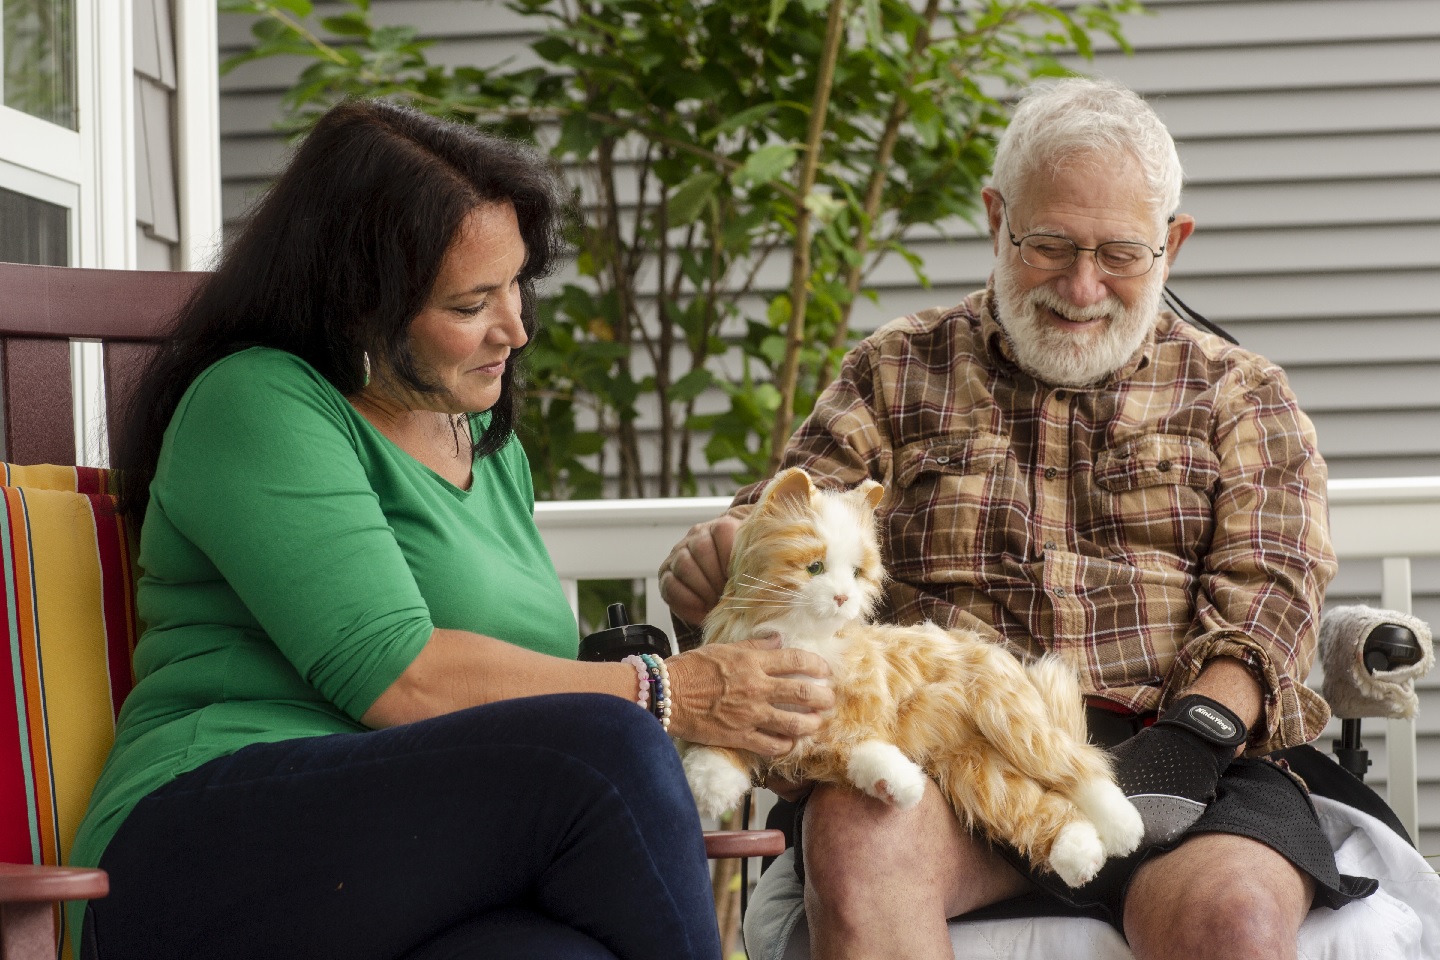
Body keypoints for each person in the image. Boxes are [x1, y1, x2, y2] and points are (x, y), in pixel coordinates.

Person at [67, 98, 836, 960]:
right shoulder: (258, 402)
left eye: (517, 285)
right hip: (202, 852)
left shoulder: (481, 437)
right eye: (472, 303)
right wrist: (670, 689)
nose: (516, 328)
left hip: (407, 868)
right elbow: (400, 677)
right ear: (359, 303)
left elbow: (504, 690)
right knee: (605, 745)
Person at [658, 78, 1377, 960]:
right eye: (1048, 245)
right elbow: (789, 514)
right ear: (998, 220)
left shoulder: (1242, 395)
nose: (1082, 286)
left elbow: (1270, 593)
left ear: (1172, 245)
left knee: (1229, 917)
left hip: (1187, 752)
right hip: (946, 750)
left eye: (1120, 253)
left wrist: (1193, 740)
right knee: (856, 836)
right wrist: (725, 552)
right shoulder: (895, 371)